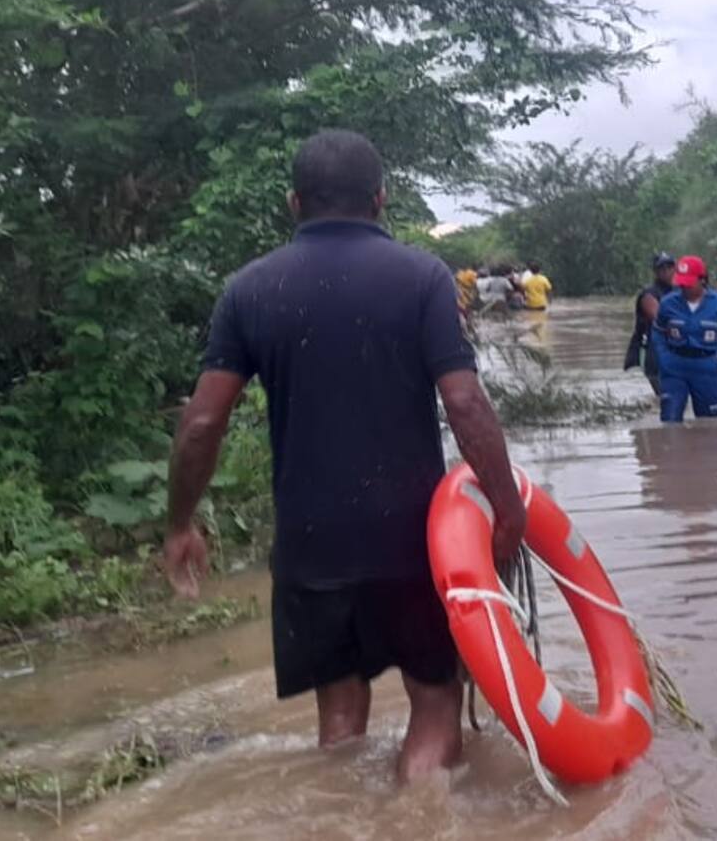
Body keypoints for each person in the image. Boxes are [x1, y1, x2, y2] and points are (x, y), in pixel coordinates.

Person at [164, 130, 527, 780]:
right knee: (436, 702)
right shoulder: (423, 278)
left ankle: (344, 817)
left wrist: (180, 523)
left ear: (294, 201)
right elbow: (465, 403)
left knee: (338, 722)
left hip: (311, 548)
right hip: (412, 542)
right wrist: (506, 508)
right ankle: (424, 814)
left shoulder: (249, 289)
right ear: (381, 199)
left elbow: (202, 423)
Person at [652, 255, 717, 422]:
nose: (684, 288)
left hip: (706, 368)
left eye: (689, 283)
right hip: (674, 367)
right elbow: (657, 331)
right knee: (670, 419)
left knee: (709, 422)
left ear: (702, 280)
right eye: (681, 283)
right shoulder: (668, 303)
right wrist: (663, 355)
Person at [624, 252, 676, 396]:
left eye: (669, 266)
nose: (666, 271)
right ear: (656, 271)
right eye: (662, 268)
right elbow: (660, 320)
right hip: (655, 352)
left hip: (675, 352)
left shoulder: (679, 291)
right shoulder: (649, 294)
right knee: (666, 396)